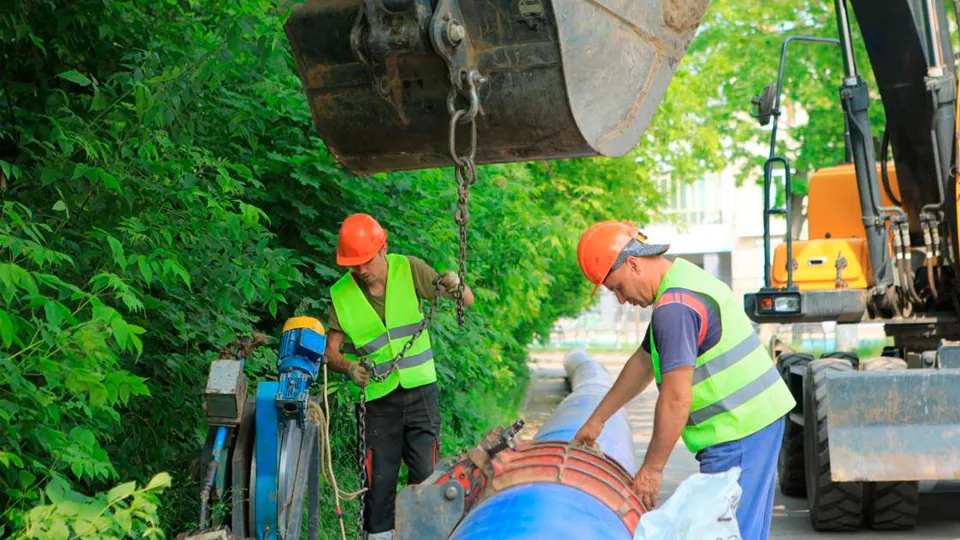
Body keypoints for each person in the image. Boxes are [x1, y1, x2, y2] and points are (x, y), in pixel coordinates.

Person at [571, 220, 795, 540]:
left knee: (730, 533)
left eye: (617, 287)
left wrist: (651, 469)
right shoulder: (681, 280)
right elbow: (644, 362)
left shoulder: (674, 308)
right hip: (750, 425)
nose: (621, 299)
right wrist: (597, 420)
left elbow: (676, 399)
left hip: (738, 430)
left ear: (632, 264)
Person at [324, 213, 475, 540]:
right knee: (378, 483)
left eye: (365, 261)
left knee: (425, 477)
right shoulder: (342, 294)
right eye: (353, 265)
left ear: (383, 248)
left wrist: (454, 283)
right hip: (378, 404)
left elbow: (466, 300)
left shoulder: (410, 270)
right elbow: (330, 352)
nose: (361, 270)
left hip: (421, 394)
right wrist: (349, 368)